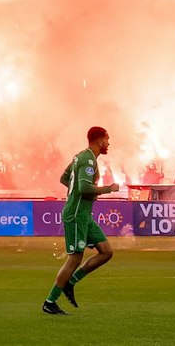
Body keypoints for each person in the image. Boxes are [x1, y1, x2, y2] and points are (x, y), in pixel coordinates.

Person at [43, 126, 118, 315]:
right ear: (99, 140)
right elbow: (84, 187)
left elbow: (64, 178)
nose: (109, 143)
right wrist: (108, 189)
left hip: (84, 215)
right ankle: (50, 302)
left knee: (106, 252)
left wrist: (75, 190)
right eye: (107, 139)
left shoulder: (81, 157)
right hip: (76, 215)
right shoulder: (88, 160)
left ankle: (71, 281)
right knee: (75, 258)